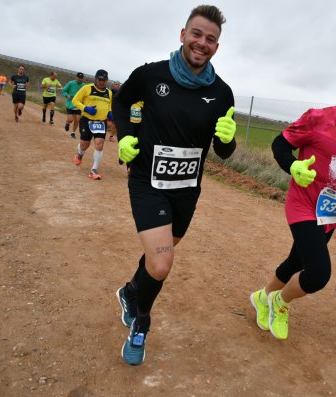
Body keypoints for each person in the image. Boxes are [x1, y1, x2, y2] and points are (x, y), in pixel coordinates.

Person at [112, 4, 236, 366]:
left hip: (186, 189)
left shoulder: (222, 92)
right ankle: (141, 326)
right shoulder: (151, 75)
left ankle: (130, 291)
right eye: (196, 34)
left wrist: (227, 139)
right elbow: (122, 101)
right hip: (147, 181)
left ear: (217, 46)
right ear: (182, 35)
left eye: (211, 39)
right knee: (163, 264)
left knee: (157, 257)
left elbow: (224, 152)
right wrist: (126, 136)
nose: (202, 43)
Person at [249, 60, 336, 341]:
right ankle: (280, 302)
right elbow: (281, 143)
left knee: (295, 262)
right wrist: (292, 166)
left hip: (330, 213)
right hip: (303, 204)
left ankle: (262, 298)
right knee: (317, 273)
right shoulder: (318, 118)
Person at [71, 69, 113, 180]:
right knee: (85, 144)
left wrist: (109, 113)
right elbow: (75, 101)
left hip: (101, 122)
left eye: (104, 80)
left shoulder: (109, 93)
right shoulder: (87, 88)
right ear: (96, 79)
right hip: (87, 120)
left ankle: (93, 170)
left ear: (107, 80)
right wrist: (86, 108)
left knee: (99, 144)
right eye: (100, 79)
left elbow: (109, 105)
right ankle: (80, 154)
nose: (102, 82)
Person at [61, 72, 86, 138]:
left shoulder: (84, 86)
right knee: (70, 120)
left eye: (81, 78)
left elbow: (86, 95)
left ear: (83, 79)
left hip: (78, 105)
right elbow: (64, 90)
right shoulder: (71, 83)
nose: (80, 79)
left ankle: (73, 132)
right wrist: (67, 95)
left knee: (77, 120)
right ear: (76, 77)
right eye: (79, 78)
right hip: (70, 104)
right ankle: (67, 123)